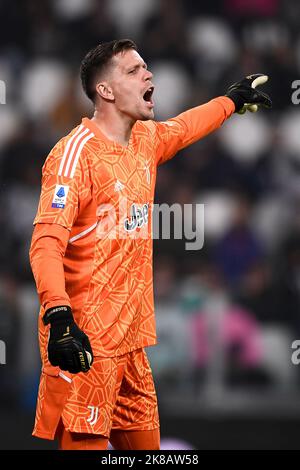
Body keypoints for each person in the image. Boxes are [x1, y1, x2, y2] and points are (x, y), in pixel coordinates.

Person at [29, 39, 271, 450]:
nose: (149, 74)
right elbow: (46, 241)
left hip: (132, 344)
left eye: (147, 67)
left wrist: (230, 101)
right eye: (134, 70)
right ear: (105, 91)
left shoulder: (144, 140)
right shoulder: (74, 156)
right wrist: (58, 315)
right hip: (85, 341)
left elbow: (185, 127)